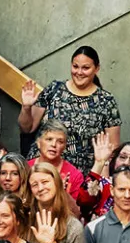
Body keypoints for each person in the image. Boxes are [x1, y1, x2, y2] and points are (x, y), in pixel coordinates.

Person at [17, 46, 120, 174]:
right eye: (75, 66)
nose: (79, 72)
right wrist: (26, 107)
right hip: (43, 169)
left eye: (86, 68)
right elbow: (27, 128)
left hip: (80, 175)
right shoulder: (54, 90)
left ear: (97, 68)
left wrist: (100, 175)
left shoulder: (106, 101)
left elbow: (112, 147)